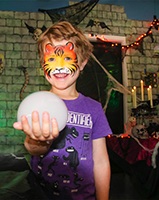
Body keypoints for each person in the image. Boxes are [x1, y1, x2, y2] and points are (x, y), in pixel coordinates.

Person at [13, 21, 112, 200]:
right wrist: (39, 141)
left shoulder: (94, 109)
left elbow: (101, 161)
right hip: (41, 195)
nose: (59, 66)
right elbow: (32, 148)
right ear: (42, 65)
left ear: (82, 63)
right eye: (51, 59)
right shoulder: (38, 104)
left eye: (67, 58)